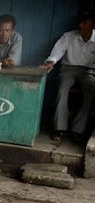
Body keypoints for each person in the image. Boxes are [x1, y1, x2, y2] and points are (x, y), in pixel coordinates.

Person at [40, 13, 95, 143]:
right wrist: (51, 62)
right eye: (80, 22)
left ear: (93, 25)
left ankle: (78, 130)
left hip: (89, 71)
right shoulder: (68, 36)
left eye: (85, 23)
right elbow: (57, 52)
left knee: (91, 92)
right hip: (68, 69)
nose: (80, 25)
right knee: (62, 89)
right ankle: (60, 128)